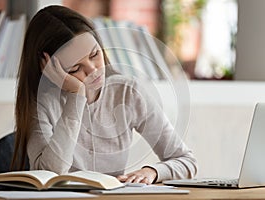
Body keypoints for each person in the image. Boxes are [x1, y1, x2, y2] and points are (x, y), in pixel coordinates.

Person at [12, 5, 197, 184]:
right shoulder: (42, 102)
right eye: (75, 68)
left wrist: (153, 172)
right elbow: (49, 175)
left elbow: (186, 161)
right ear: (49, 69)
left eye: (94, 55)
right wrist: (76, 96)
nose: (93, 70)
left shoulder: (127, 92)